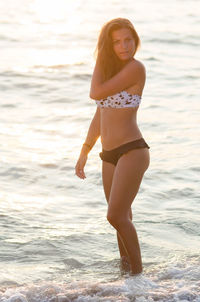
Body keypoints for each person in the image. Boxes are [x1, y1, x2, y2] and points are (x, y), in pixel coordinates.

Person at [75, 17, 150, 275]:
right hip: (109, 155)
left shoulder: (135, 68)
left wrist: (101, 54)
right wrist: (84, 151)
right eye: (116, 42)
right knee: (121, 221)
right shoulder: (111, 73)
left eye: (128, 39)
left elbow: (95, 93)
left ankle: (139, 278)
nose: (124, 46)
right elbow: (100, 113)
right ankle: (126, 275)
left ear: (135, 40)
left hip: (132, 150)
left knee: (115, 216)